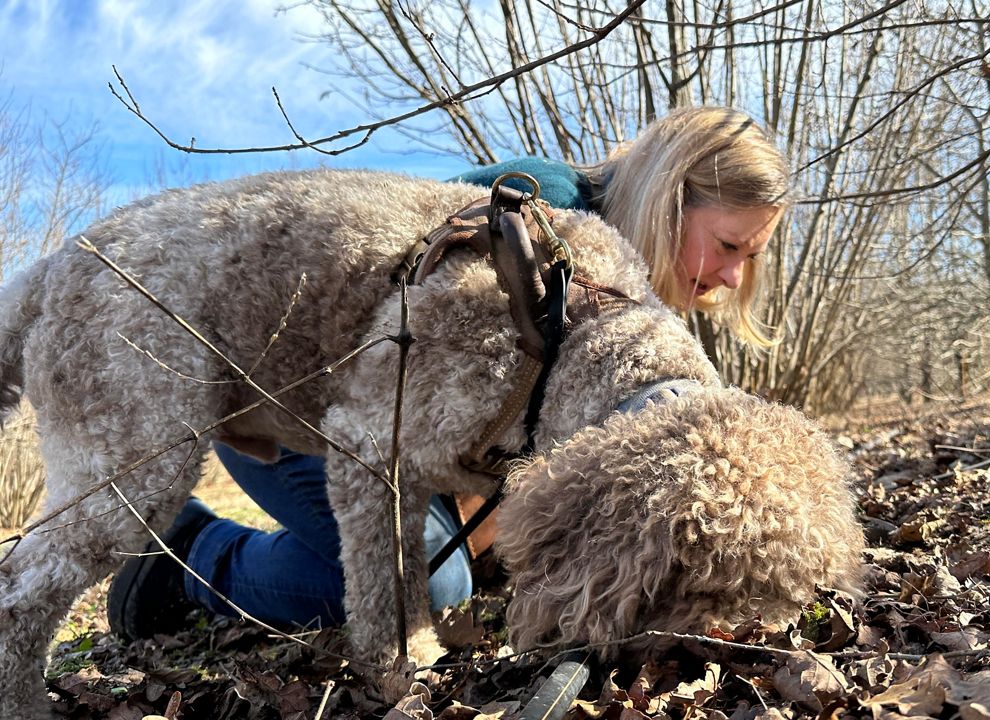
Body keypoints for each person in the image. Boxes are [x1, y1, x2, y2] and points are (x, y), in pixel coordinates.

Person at [106, 105, 789, 640]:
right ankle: (185, 558)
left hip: (384, 432)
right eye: (728, 246)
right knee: (432, 587)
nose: (732, 278)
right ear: (668, 198)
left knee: (459, 566)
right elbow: (401, 386)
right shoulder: (536, 211)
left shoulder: (638, 297)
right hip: (298, 402)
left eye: (749, 257)